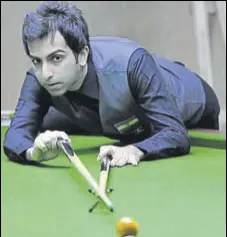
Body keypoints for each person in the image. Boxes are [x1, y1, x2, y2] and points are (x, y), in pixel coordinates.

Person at [3, 1, 220, 167]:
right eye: (37, 61)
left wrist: (135, 150)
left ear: (82, 54)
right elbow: (16, 134)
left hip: (192, 105)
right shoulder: (39, 77)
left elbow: (175, 134)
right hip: (125, 119)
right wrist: (34, 153)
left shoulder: (132, 63)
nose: (46, 73)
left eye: (56, 58)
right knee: (49, 124)